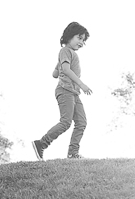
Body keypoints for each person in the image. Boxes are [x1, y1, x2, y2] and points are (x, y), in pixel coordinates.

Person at [32, 22, 92, 160]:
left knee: (81, 122)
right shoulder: (65, 51)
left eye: (83, 40)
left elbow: (54, 74)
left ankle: (73, 153)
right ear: (69, 36)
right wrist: (82, 84)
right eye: (79, 38)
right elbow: (65, 70)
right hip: (65, 91)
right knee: (66, 122)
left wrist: (59, 64)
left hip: (73, 93)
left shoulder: (67, 53)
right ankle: (41, 143)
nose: (81, 42)